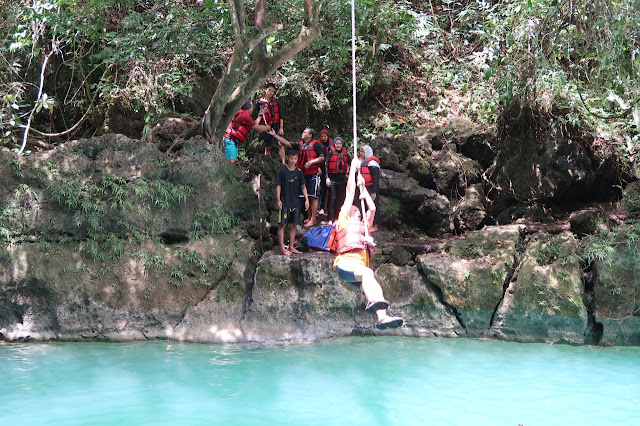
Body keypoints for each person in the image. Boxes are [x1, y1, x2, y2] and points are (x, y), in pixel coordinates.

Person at [332, 157, 403, 330]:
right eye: (353, 208)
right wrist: (353, 171)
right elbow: (350, 193)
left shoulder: (365, 226)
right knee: (367, 274)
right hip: (345, 265)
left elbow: (372, 209)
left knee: (373, 282)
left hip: (358, 271)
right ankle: (372, 302)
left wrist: (364, 188)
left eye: (357, 209)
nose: (356, 209)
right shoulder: (344, 220)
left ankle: (383, 318)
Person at [269, 128, 324, 228]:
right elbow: (286, 142)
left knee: (312, 196)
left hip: (312, 173)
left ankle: (313, 219)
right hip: (302, 174)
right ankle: (309, 216)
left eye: (304, 132)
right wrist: (274, 135)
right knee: (304, 196)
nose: (302, 133)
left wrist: (311, 162)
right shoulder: (300, 145)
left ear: (310, 135)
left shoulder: (315, 144)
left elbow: (321, 157)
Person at [275, 148, 309, 255]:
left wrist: (307, 199)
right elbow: (278, 185)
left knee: (294, 225)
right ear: (287, 158)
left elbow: (303, 187)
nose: (293, 161)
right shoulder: (282, 171)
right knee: (282, 224)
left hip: (295, 202)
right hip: (285, 202)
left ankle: (291, 247)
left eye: (295, 159)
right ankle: (282, 248)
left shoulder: (299, 172)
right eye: (291, 158)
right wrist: (278, 199)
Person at [224, 100, 272, 164]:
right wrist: (268, 127)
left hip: (233, 141)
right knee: (231, 161)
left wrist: (260, 116)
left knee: (233, 160)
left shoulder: (244, 115)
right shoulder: (244, 116)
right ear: (248, 108)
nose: (252, 109)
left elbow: (253, 124)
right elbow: (257, 127)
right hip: (231, 140)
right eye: (252, 107)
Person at [256, 83, 286, 163]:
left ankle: (283, 163)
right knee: (267, 146)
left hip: (276, 125)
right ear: (265, 90)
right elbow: (257, 115)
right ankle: (267, 163)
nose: (271, 92)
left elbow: (281, 115)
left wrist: (281, 127)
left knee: (280, 144)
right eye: (269, 90)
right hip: (266, 126)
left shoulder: (276, 101)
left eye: (273, 91)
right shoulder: (260, 102)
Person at [325, 136, 350, 223]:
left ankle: (338, 217)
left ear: (342, 144)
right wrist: (327, 177)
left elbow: (350, 163)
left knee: (340, 199)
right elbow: (326, 165)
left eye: (339, 144)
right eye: (336, 144)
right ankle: (330, 218)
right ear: (334, 144)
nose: (338, 145)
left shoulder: (345, 153)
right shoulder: (330, 152)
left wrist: (349, 173)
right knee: (332, 198)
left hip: (342, 179)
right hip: (332, 179)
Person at [357, 145, 381, 232]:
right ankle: (365, 223)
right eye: (360, 151)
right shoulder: (360, 162)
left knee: (374, 206)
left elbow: (376, 178)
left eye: (363, 152)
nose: (361, 153)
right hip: (363, 187)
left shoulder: (373, 163)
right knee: (363, 205)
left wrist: (374, 191)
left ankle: (375, 225)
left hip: (371, 187)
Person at [317, 129, 333, 216]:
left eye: (325, 136)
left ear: (328, 136)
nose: (323, 138)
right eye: (322, 136)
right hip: (322, 168)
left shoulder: (333, 143)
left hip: (331, 168)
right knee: (323, 188)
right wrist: (318, 167)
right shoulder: (317, 144)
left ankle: (330, 207)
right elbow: (316, 156)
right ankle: (321, 208)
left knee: (331, 189)